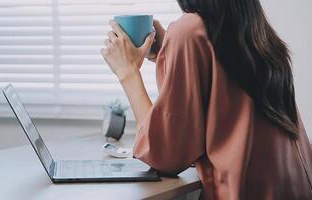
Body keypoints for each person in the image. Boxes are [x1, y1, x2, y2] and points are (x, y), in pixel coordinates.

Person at [100, 0, 312, 199]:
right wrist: (170, 54)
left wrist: (128, 72)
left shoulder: (190, 30)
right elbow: (221, 100)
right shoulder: (255, 29)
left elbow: (164, 156)